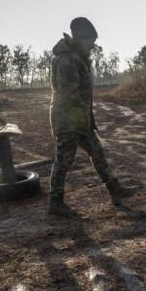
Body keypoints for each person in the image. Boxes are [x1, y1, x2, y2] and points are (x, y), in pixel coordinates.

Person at [48, 17, 136, 217]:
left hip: (79, 117)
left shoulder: (77, 56)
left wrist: (85, 120)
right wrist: (80, 120)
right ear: (80, 39)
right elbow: (68, 92)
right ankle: (55, 201)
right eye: (91, 40)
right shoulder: (66, 59)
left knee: (97, 152)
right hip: (68, 118)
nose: (94, 44)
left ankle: (115, 190)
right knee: (64, 160)